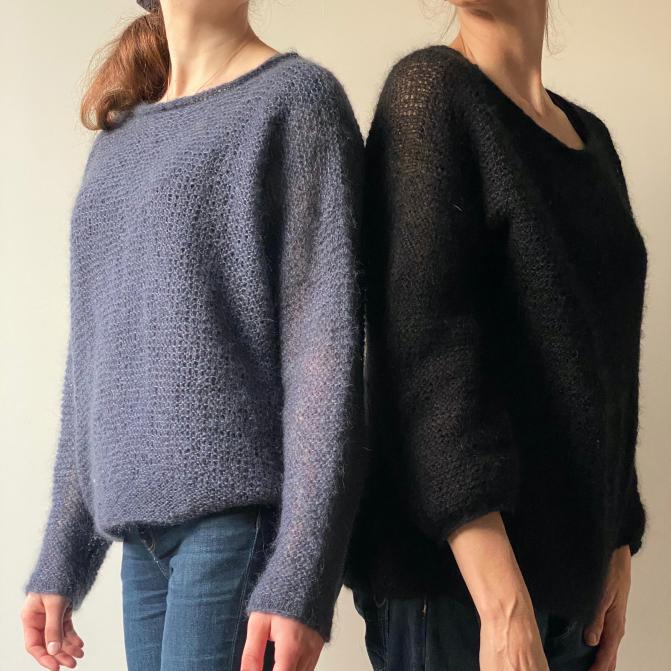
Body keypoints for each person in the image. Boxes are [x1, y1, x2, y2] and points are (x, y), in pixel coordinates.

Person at [20, 1, 366, 670]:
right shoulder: (118, 143)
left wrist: (303, 574)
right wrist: (63, 550)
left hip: (236, 525)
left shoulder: (296, 101)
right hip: (141, 541)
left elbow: (324, 352)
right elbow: (89, 366)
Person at [345, 2, 647, 670]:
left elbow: (607, 363)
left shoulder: (591, 140)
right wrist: (501, 603)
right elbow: (425, 360)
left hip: (570, 593)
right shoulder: (430, 93)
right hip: (461, 593)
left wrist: (619, 536)